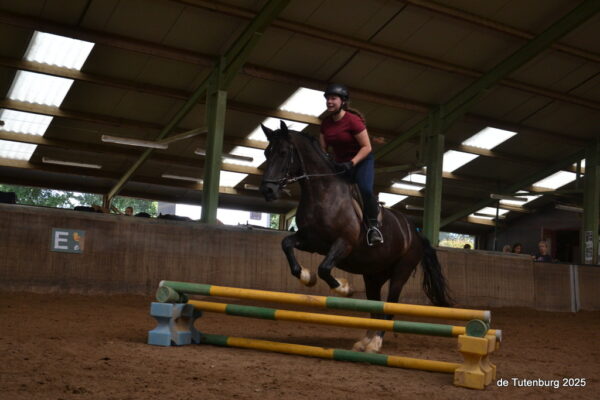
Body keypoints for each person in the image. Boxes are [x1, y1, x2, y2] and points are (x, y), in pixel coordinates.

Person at [319, 83, 383, 246]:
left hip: (361, 161)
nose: (329, 102)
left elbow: (367, 147)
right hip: (340, 164)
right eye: (327, 99)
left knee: (365, 190)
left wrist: (352, 162)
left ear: (343, 101)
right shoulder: (325, 123)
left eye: (333, 98)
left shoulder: (353, 121)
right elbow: (323, 149)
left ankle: (373, 227)